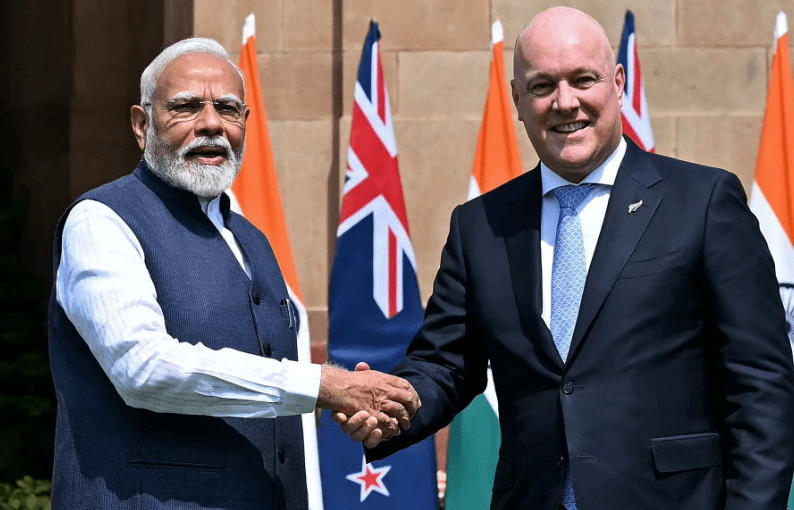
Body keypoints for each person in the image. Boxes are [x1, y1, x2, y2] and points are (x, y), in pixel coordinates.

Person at [336, 6, 794, 509]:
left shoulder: (704, 202)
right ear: (517, 99)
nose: (565, 102)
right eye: (541, 86)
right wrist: (391, 406)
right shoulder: (480, 225)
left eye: (583, 79)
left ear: (617, 83)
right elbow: (446, 364)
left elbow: (761, 387)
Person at [47, 37, 419, 509]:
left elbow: (281, 400)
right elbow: (141, 368)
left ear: (246, 122)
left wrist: (349, 403)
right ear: (141, 125)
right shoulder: (101, 220)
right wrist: (324, 386)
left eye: (227, 108)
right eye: (185, 107)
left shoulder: (253, 239)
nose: (210, 125)